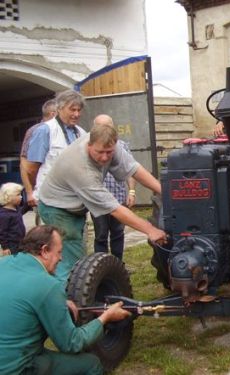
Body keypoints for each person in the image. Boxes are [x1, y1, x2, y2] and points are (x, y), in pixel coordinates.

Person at [38, 121, 166, 285]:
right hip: (57, 209)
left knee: (77, 255)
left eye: (109, 152)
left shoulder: (110, 144)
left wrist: (166, 192)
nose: (105, 157)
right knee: (69, 262)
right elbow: (114, 209)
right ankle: (69, 304)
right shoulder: (80, 168)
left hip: (75, 208)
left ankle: (79, 295)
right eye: (99, 152)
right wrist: (150, 229)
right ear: (89, 144)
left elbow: (134, 169)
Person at [0, 225, 131, 375]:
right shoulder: (47, 285)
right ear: (44, 251)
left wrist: (59, 302)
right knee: (92, 364)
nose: (61, 258)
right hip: (14, 369)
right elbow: (71, 343)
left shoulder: (3, 263)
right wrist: (105, 318)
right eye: (59, 252)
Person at [26, 90, 87, 205]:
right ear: (59, 109)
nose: (77, 114)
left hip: (75, 198)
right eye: (72, 109)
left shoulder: (81, 133)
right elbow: (31, 169)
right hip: (51, 199)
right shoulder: (45, 130)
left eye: (79, 110)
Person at [91, 114, 136, 260]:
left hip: (118, 198)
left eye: (107, 126)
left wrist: (132, 191)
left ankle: (118, 265)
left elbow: (130, 171)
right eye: (100, 126)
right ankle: (101, 266)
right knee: (101, 235)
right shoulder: (89, 147)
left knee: (118, 233)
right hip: (98, 200)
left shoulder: (122, 146)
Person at [20, 98, 57, 208]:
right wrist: (30, 192)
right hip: (43, 192)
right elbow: (25, 165)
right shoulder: (37, 130)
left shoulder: (64, 130)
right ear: (53, 114)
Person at [0, 182, 25, 254]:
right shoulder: (4, 215)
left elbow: (23, 210)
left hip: (20, 242)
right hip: (11, 245)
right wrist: (5, 247)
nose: (21, 197)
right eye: (18, 195)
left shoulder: (16, 209)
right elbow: (2, 233)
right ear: (8, 197)